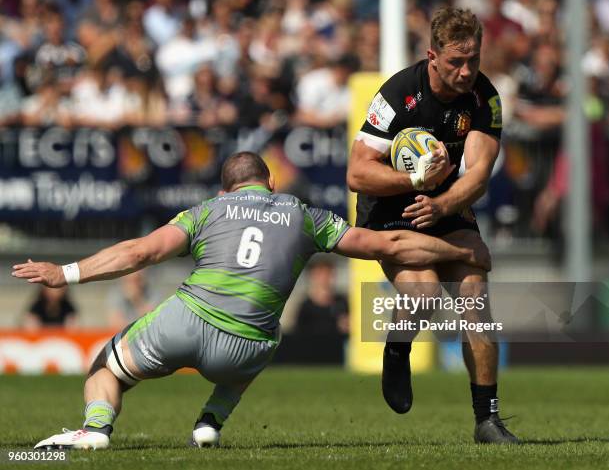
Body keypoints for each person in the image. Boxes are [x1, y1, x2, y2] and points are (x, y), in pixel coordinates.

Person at [13, 151, 490, 450]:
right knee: (267, 330)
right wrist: (460, 250)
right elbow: (386, 246)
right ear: (272, 184)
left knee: (107, 366)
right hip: (244, 350)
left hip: (186, 323)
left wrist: (65, 273)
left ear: (226, 190)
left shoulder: (207, 210)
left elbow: (139, 253)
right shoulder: (306, 216)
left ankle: (95, 430)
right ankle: (210, 422)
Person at [346, 7, 518, 444]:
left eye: (473, 60)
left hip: (445, 202)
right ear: (433, 55)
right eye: (456, 62)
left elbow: (477, 174)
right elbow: (357, 174)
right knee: (421, 296)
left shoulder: (485, 97)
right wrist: (415, 180)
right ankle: (398, 348)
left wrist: (440, 205)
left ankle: (487, 420)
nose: (466, 71)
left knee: (476, 301)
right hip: (391, 208)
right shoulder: (398, 94)